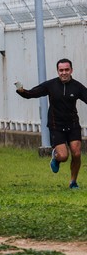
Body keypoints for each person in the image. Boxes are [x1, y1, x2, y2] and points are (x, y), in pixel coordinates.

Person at [16, 58, 87, 189]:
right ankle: (56, 157)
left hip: (73, 125)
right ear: (57, 71)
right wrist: (22, 91)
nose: (64, 73)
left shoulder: (77, 86)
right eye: (61, 70)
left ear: (71, 70)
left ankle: (73, 182)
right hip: (56, 126)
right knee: (64, 156)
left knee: (76, 153)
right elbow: (33, 93)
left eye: (66, 70)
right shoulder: (51, 85)